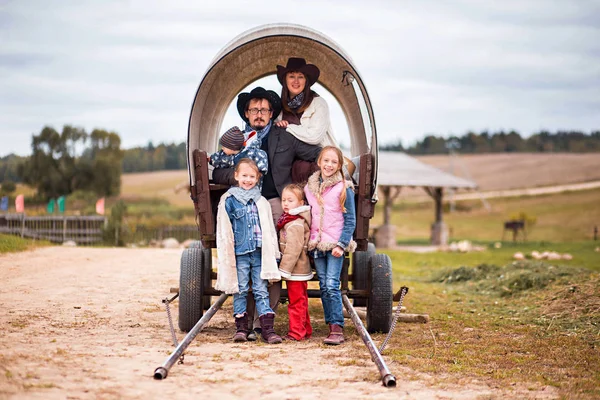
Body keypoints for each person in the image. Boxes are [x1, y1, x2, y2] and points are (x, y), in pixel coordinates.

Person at [212, 86, 322, 340]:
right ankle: (244, 321)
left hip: (273, 200)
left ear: (272, 112)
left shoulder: (284, 136)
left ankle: (265, 320)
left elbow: (314, 154)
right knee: (245, 257)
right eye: (254, 110)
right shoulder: (238, 139)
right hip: (243, 200)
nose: (259, 114)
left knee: (269, 255)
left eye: (263, 109)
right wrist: (241, 178)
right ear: (247, 114)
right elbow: (218, 170)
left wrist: (320, 176)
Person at [214, 158, 282, 344]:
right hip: (240, 253)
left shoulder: (261, 202)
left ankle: (267, 329)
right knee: (241, 289)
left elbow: (268, 230)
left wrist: (273, 253)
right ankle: (241, 328)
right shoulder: (229, 200)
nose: (248, 179)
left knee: (261, 289)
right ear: (236, 176)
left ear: (257, 178)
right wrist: (227, 253)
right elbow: (224, 228)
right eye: (244, 175)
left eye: (252, 176)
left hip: (259, 253)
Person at [304, 146, 356, 345]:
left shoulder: (344, 188)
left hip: (335, 244)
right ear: (319, 162)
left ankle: (337, 327)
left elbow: (350, 219)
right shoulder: (310, 188)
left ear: (339, 166)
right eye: (326, 161)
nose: (329, 165)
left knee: (332, 285)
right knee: (324, 286)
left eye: (334, 162)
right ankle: (330, 324)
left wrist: (342, 244)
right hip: (318, 244)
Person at [276, 183, 313, 341]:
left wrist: (284, 269)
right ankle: (305, 329)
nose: (285, 203)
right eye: (284, 200)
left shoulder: (296, 223)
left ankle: (296, 333)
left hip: (296, 269)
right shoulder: (290, 219)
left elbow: (293, 249)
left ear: (301, 203)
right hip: (295, 269)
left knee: (296, 302)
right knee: (301, 300)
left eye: (290, 200)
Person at [275, 57, 338, 148]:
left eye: (300, 77)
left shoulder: (319, 103)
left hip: (320, 158)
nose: (296, 81)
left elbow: (314, 137)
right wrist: (278, 125)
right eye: (292, 76)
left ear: (306, 81)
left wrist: (287, 127)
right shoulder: (279, 107)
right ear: (285, 80)